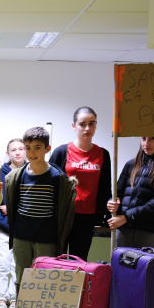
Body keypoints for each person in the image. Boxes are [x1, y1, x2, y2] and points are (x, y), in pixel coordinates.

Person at [4, 127, 76, 308]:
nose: (32, 152)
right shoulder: (18, 175)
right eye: (28, 148)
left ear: (47, 149)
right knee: (22, 277)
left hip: (47, 237)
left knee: (45, 281)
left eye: (37, 148)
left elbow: (62, 209)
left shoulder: (57, 177)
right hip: (21, 236)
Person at [49, 106, 112, 261]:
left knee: (79, 262)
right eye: (82, 124)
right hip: (63, 216)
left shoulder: (103, 154)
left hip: (87, 218)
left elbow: (105, 187)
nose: (87, 128)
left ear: (96, 125)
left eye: (92, 123)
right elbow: (49, 185)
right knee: (58, 261)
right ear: (74, 126)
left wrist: (107, 214)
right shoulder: (61, 152)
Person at [107, 137, 154, 251]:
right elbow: (118, 192)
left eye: (153, 138)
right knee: (120, 268)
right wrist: (111, 202)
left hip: (149, 232)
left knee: (146, 268)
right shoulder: (131, 164)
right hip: (124, 230)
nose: (146, 143)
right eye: (143, 138)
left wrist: (127, 217)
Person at [0, 138, 26, 308]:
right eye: (14, 149)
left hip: (22, 230)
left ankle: (15, 302)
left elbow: (30, 205)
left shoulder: (31, 172)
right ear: (8, 153)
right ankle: (1, 301)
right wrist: (4, 217)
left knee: (17, 267)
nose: (18, 152)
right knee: (1, 266)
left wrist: (11, 209)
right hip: (2, 228)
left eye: (21, 148)